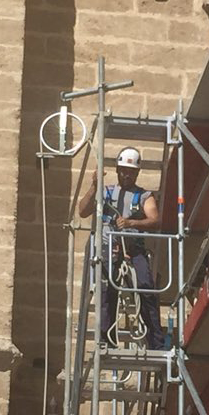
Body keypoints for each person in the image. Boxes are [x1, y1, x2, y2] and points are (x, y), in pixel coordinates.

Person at [78, 147, 165, 350]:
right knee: (107, 291)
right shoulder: (106, 192)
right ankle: (106, 341)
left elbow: (155, 220)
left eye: (131, 171)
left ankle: (156, 343)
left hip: (134, 251)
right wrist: (94, 187)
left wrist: (131, 224)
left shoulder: (144, 196)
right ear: (117, 170)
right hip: (109, 249)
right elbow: (83, 210)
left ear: (136, 173)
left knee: (145, 288)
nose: (127, 174)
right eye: (123, 170)